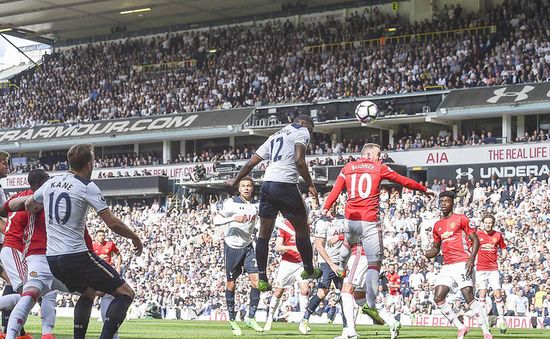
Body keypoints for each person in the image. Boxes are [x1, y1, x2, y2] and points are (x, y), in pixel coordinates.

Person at [25, 144, 143, 339]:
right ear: (89, 164)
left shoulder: (51, 182)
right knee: (125, 293)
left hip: (53, 259)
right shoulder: (86, 186)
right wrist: (134, 237)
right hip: (76, 255)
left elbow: (30, 204)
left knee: (88, 292)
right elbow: (112, 223)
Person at [322, 143, 433, 324]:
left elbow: (336, 189)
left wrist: (326, 207)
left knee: (348, 245)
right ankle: (371, 304)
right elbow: (402, 180)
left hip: (350, 220)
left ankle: (341, 265)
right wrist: (423, 189)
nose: (380, 157)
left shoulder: (348, 167)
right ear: (368, 154)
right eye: (378, 154)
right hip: (369, 221)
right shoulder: (379, 168)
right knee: (374, 264)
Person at [226, 115, 320, 292]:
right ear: (304, 123)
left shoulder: (274, 136)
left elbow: (251, 163)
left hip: (267, 185)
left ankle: (262, 278)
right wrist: (310, 184)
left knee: (264, 234)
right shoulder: (302, 131)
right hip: (285, 185)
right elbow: (299, 160)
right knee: (302, 228)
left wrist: (235, 180)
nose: (311, 133)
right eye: (312, 129)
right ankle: (308, 269)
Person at [424, 191, 492, 339]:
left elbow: (476, 240)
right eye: (441, 201)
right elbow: (436, 248)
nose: (443, 203)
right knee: (438, 297)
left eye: (446, 201)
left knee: (468, 295)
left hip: (462, 262)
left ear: (452, 203)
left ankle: (486, 332)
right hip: (447, 265)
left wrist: (471, 259)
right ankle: (461, 327)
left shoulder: (461, 219)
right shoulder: (437, 225)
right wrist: (426, 253)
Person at [0, 169, 54, 339]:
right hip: (14, 247)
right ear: (39, 183)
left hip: (16, 248)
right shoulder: (37, 198)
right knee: (27, 295)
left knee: (31, 294)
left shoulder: (20, 195)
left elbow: (3, 210)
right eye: (47, 180)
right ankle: (44, 333)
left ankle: (19, 333)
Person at [213, 176, 262, 336]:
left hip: (248, 247)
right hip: (232, 247)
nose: (247, 188)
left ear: (252, 188)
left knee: (257, 282)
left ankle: (251, 317)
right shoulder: (231, 203)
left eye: (249, 186)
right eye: (243, 186)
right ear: (239, 188)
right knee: (231, 285)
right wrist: (233, 218)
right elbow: (216, 220)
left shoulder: (256, 205)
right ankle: (233, 319)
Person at [299, 205, 346, 335]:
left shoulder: (343, 219)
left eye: (334, 204)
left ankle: (347, 326)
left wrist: (340, 238)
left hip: (342, 261)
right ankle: (304, 319)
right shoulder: (322, 222)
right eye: (330, 205)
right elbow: (319, 245)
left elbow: (350, 236)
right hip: (327, 262)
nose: (332, 207)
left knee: (345, 293)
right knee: (322, 292)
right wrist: (331, 265)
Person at [264, 218, 309, 331]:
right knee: (279, 291)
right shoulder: (284, 226)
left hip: (301, 263)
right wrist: (291, 247)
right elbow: (278, 247)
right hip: (287, 263)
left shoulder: (304, 225)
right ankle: (269, 318)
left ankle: (304, 322)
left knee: (305, 290)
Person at [475, 214, 508, 333]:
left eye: (490, 222)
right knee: (482, 295)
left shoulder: (497, 235)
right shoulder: (477, 234)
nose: (488, 224)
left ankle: (502, 321)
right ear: (482, 223)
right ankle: (484, 323)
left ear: (493, 223)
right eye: (486, 222)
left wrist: (504, 256)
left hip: (493, 268)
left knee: (497, 294)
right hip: (481, 269)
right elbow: (470, 246)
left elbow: (503, 248)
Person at [93, 230, 123, 339]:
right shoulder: (92, 246)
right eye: (100, 235)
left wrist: (118, 267)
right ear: (96, 237)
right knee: (104, 297)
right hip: (97, 275)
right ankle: (111, 331)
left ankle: (111, 331)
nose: (102, 237)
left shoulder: (110, 244)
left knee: (107, 296)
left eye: (103, 235)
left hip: (108, 274)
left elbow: (118, 254)